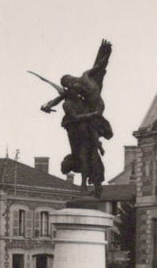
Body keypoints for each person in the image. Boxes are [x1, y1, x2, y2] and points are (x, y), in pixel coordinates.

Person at [34, 40, 113, 196]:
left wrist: (106, 54)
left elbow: (98, 67)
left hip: (91, 116)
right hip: (79, 125)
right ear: (68, 87)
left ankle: (94, 177)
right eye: (69, 83)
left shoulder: (83, 83)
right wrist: (47, 105)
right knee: (83, 154)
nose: (73, 83)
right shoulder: (68, 102)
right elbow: (63, 104)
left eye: (71, 79)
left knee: (91, 151)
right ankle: (85, 184)